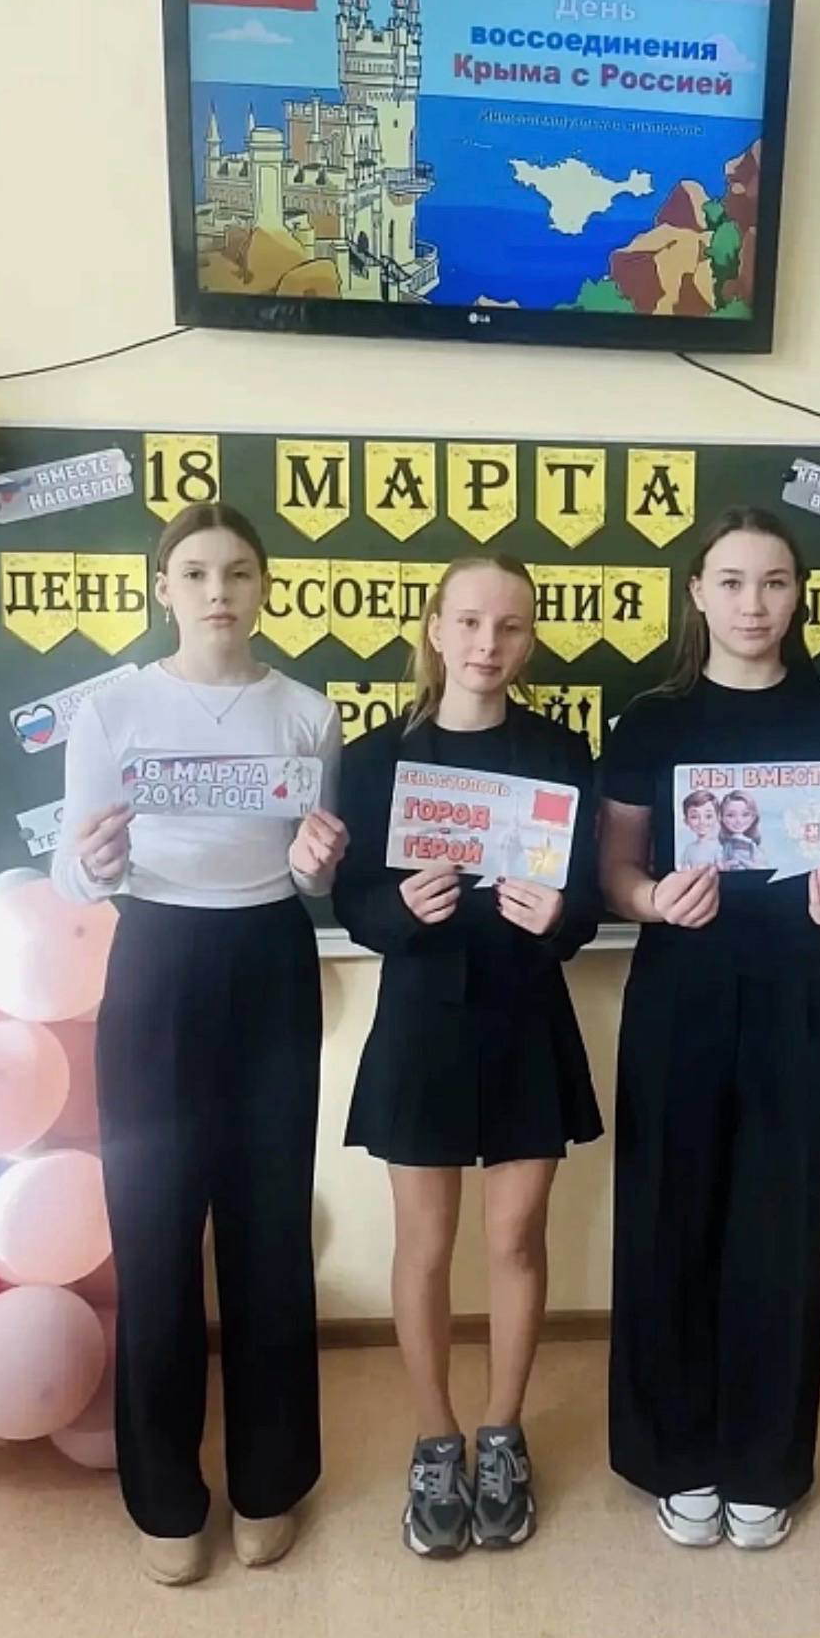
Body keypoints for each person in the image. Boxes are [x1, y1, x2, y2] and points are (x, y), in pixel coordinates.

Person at [52, 502, 347, 1585]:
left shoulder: (307, 713)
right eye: (195, 571)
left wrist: (315, 864)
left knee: (269, 1231)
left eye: (238, 571)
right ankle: (166, 1495)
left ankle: (271, 1481)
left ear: (264, 585)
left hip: (270, 957)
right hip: (157, 960)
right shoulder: (112, 708)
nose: (218, 590)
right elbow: (75, 874)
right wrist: (92, 861)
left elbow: (312, 870)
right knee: (156, 1230)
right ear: (163, 587)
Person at [598, 506, 820, 1551]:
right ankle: (679, 1453)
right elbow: (615, 871)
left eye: (773, 582)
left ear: (797, 595)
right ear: (697, 594)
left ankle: (766, 1458)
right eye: (730, 581)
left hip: (794, 990)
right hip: (678, 991)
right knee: (668, 1213)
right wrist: (652, 898)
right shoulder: (651, 721)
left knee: (780, 1221)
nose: (753, 603)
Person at [333, 555, 602, 1559]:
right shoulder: (376, 757)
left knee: (517, 1237)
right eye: (472, 622)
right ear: (436, 629)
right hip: (422, 1021)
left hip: (525, 1015)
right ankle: (434, 1436)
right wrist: (398, 907)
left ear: (529, 641)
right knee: (425, 1244)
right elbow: (351, 901)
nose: (489, 643)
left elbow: (587, 902)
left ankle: (501, 1434)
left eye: (511, 626)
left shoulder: (559, 750)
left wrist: (559, 913)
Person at [718, 790, 767, 871]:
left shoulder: (752, 845)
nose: (739, 821)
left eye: (745, 815)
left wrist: (750, 865)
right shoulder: (725, 846)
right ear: (722, 818)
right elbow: (719, 864)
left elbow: (761, 866)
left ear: (753, 817)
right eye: (731, 815)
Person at [679, 789, 725, 868]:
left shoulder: (720, 847)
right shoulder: (689, 849)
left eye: (708, 816)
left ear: (718, 818)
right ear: (686, 821)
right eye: (694, 817)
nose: (702, 822)